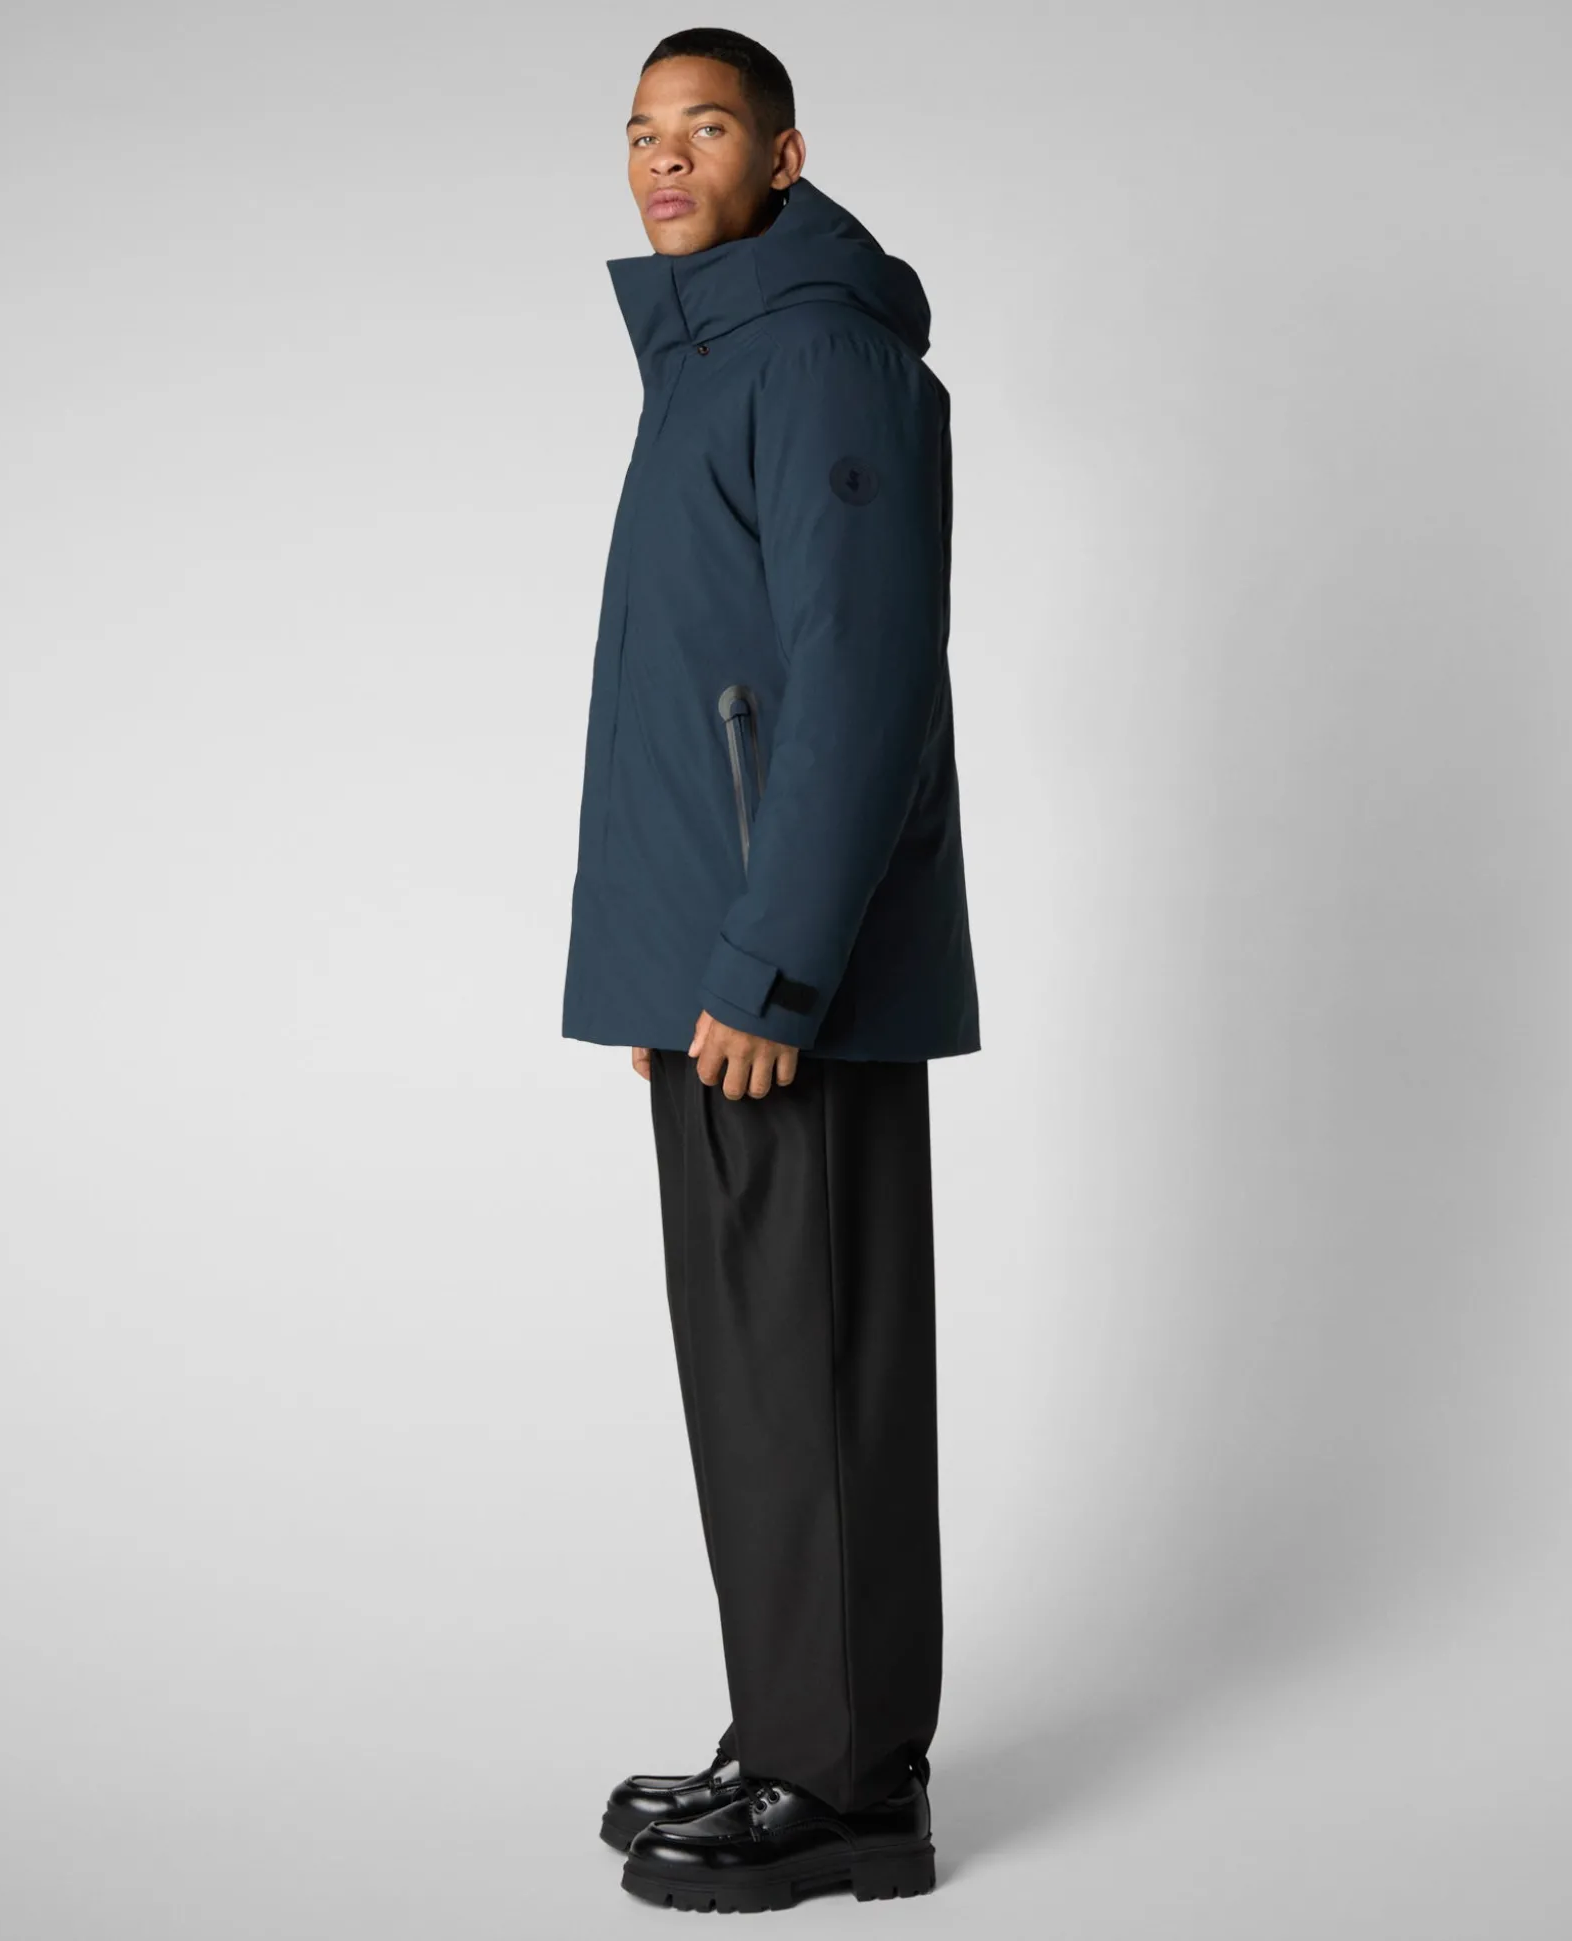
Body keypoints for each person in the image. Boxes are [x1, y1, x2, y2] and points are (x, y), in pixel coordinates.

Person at [560, 25, 982, 1914]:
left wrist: (769, 962)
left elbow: (860, 681)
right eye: (642, 131)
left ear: (784, 158)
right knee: (762, 1382)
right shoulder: (715, 358)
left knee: (811, 1374)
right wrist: (677, 961)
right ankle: (795, 1732)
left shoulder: (818, 354)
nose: (664, 158)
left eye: (706, 126)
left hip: (783, 977)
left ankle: (846, 1786)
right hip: (723, 970)